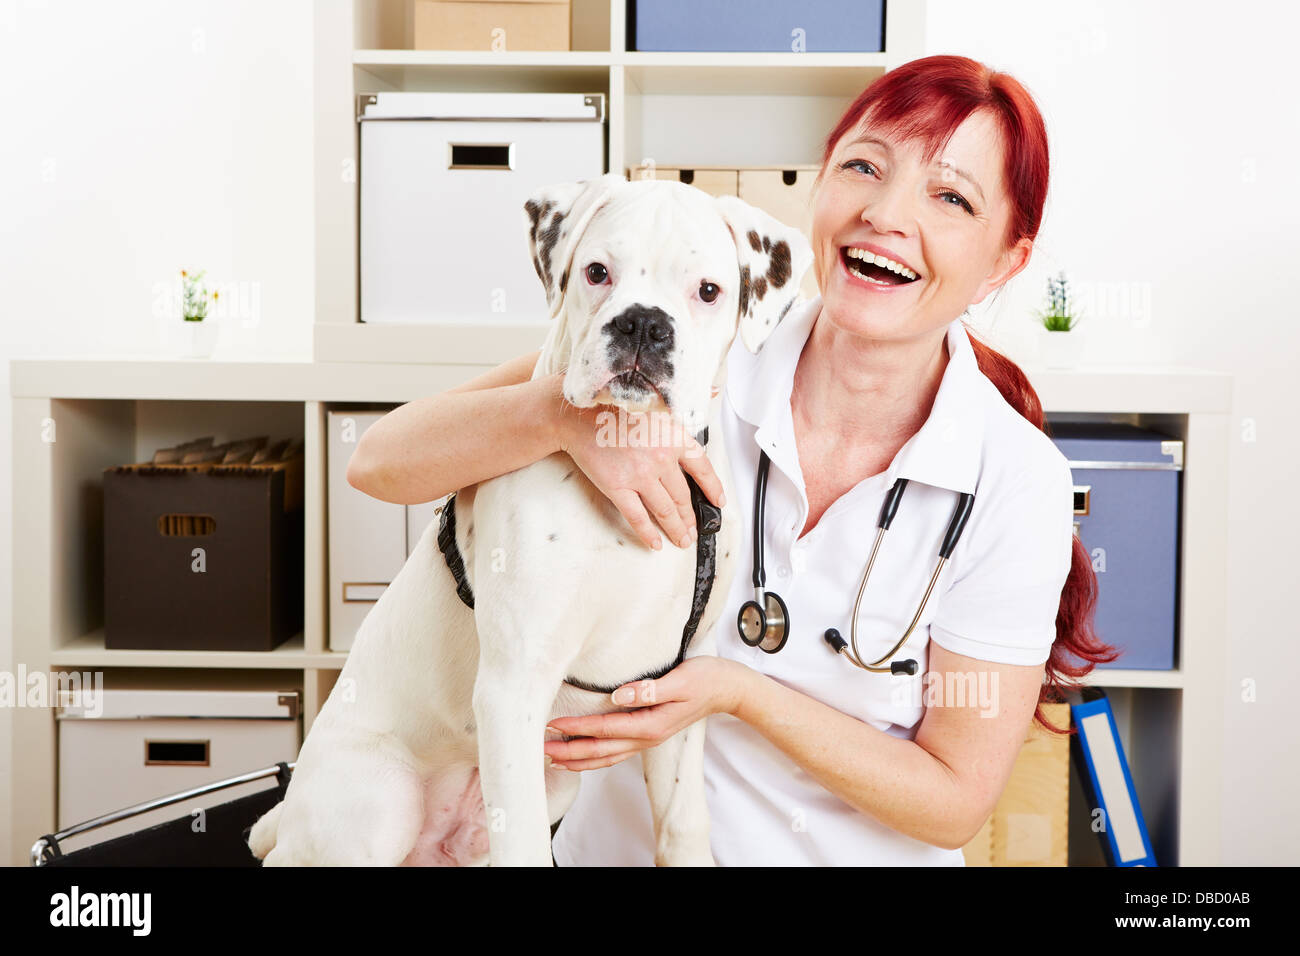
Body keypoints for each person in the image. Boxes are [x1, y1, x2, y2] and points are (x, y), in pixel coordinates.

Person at [348, 54, 1116, 866]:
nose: (887, 215)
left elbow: (954, 802)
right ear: (821, 183)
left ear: (1005, 260)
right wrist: (564, 421)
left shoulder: (1016, 481)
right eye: (864, 167)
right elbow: (382, 462)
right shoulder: (699, 333)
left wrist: (738, 694)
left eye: (951, 197)